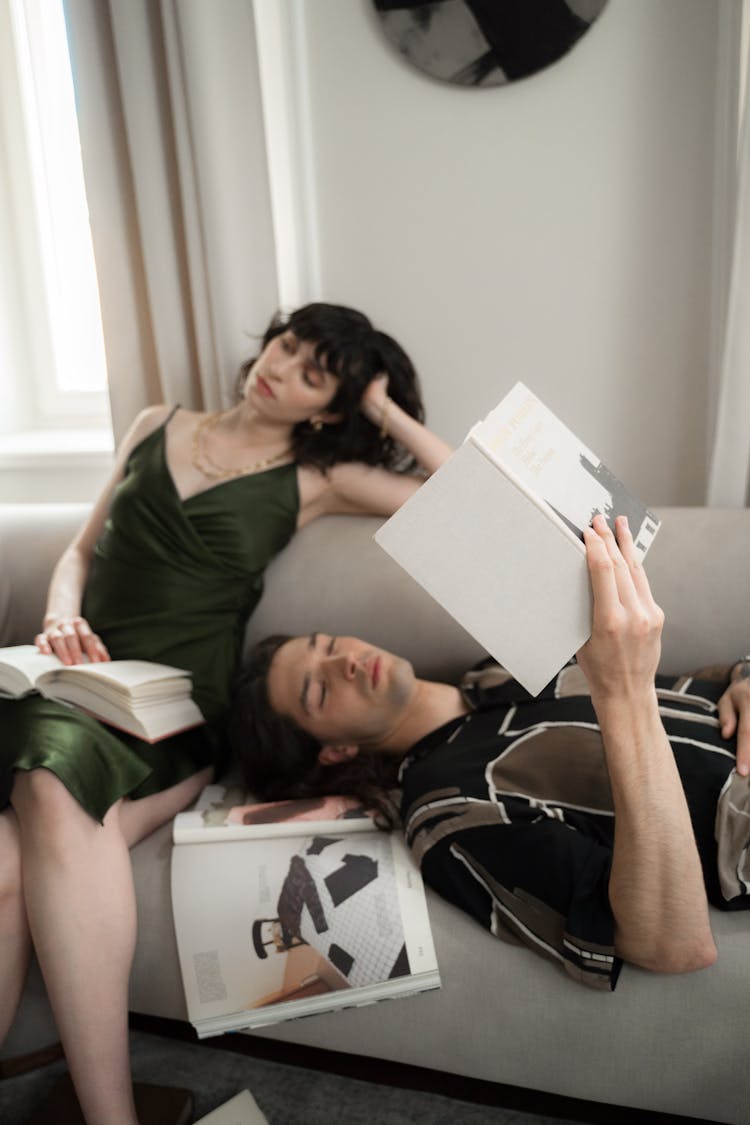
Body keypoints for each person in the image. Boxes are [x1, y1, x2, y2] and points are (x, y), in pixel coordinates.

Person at [0, 302, 452, 1124]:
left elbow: (459, 503)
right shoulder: (156, 421)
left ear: (326, 409)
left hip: (173, 709)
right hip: (73, 677)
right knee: (5, 867)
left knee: (43, 787)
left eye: (312, 372)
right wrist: (60, 615)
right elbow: (78, 548)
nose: (279, 364)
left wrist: (380, 408)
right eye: (286, 344)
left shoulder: (319, 478)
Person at [233, 514, 750, 992]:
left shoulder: (499, 668)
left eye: (328, 644)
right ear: (335, 751)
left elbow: (681, 680)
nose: (344, 661)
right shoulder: (445, 809)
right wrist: (625, 693)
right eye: (318, 691)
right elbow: (671, 944)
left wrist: (739, 677)